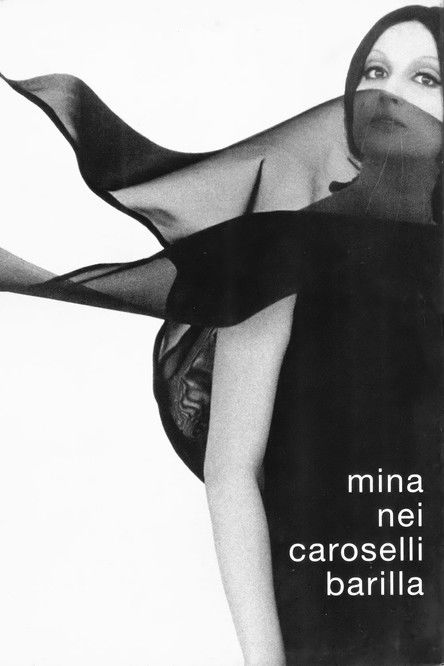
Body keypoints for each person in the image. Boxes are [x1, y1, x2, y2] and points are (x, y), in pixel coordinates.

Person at [0, 4, 442, 665]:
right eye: (374, 72)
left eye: (424, 77)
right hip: (331, 615)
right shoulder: (281, 246)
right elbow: (231, 471)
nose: (389, 92)